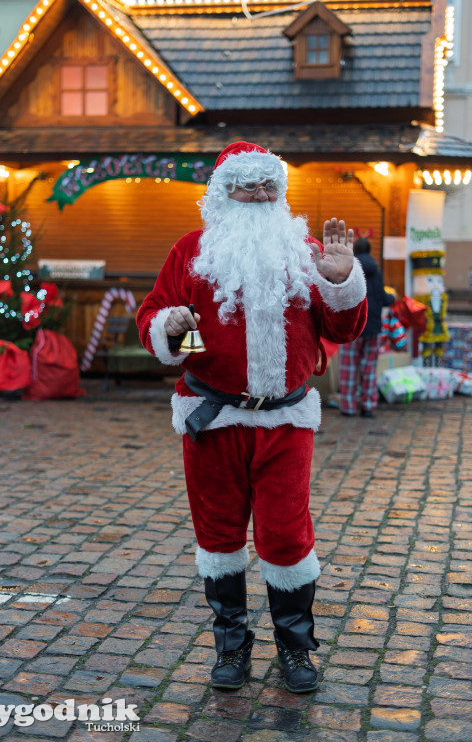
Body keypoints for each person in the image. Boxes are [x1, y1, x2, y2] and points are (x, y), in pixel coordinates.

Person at [136, 141, 367, 693]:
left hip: (285, 423)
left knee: (286, 535)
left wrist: (339, 281)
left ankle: (296, 648)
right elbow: (157, 317)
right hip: (212, 419)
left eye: (269, 185)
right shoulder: (191, 251)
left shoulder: (306, 250)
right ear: (222, 193)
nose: (259, 195)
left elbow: (342, 331)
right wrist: (172, 326)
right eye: (247, 185)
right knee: (218, 536)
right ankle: (232, 646)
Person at [338, 237, 394, 417]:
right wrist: (393, 299)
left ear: (354, 250)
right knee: (369, 368)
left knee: (349, 368)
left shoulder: (350, 271)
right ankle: (368, 406)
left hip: (352, 327)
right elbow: (384, 298)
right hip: (374, 327)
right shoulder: (377, 273)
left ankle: (348, 407)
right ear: (369, 250)